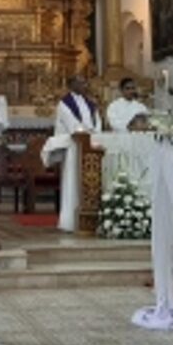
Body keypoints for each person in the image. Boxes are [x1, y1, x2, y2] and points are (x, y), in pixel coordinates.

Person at [49, 76, 101, 232]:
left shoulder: (90, 103)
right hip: (74, 146)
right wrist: (84, 132)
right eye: (80, 82)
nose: (84, 85)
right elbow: (72, 124)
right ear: (71, 84)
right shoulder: (64, 104)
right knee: (73, 181)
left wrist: (96, 133)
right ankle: (70, 220)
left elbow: (97, 121)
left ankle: (90, 218)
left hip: (91, 144)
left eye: (84, 82)